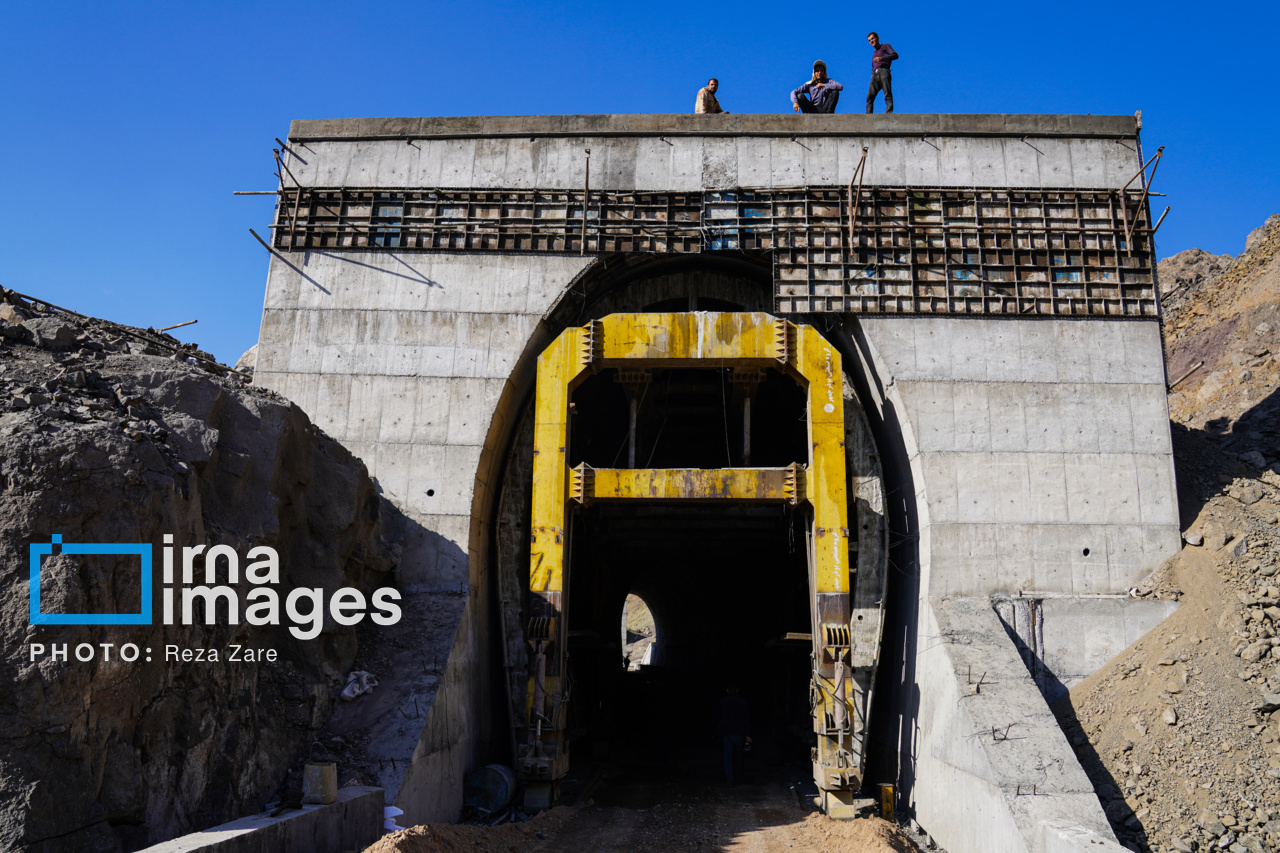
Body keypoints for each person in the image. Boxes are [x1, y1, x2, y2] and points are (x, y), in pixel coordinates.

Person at [714, 684, 751, 786]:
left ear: (727, 690)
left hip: (726, 732)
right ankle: (737, 778)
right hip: (739, 732)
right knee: (738, 756)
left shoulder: (722, 702)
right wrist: (747, 734)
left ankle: (730, 777)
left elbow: (717, 717)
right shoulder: (743, 702)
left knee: (728, 756)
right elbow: (746, 719)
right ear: (737, 690)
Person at [865, 32, 898, 114]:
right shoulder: (874, 53)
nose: (871, 41)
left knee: (887, 93)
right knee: (870, 97)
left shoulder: (885, 46)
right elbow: (873, 66)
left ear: (877, 38)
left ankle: (888, 113)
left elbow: (895, 55)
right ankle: (868, 116)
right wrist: (872, 74)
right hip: (875, 75)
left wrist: (882, 58)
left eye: (872, 38)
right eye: (869, 40)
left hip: (884, 71)